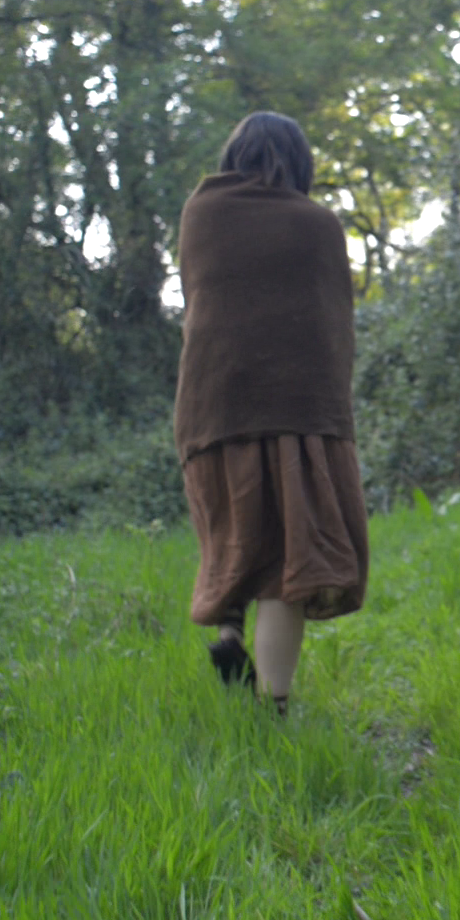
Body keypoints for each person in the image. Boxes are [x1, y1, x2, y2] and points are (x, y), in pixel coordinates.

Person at [173, 111, 371, 716]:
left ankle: (230, 631)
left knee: (235, 534)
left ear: (235, 154)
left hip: (213, 407)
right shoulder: (316, 225)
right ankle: (273, 706)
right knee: (291, 558)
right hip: (299, 411)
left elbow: (198, 298)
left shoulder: (199, 215)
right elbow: (333, 321)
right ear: (300, 160)